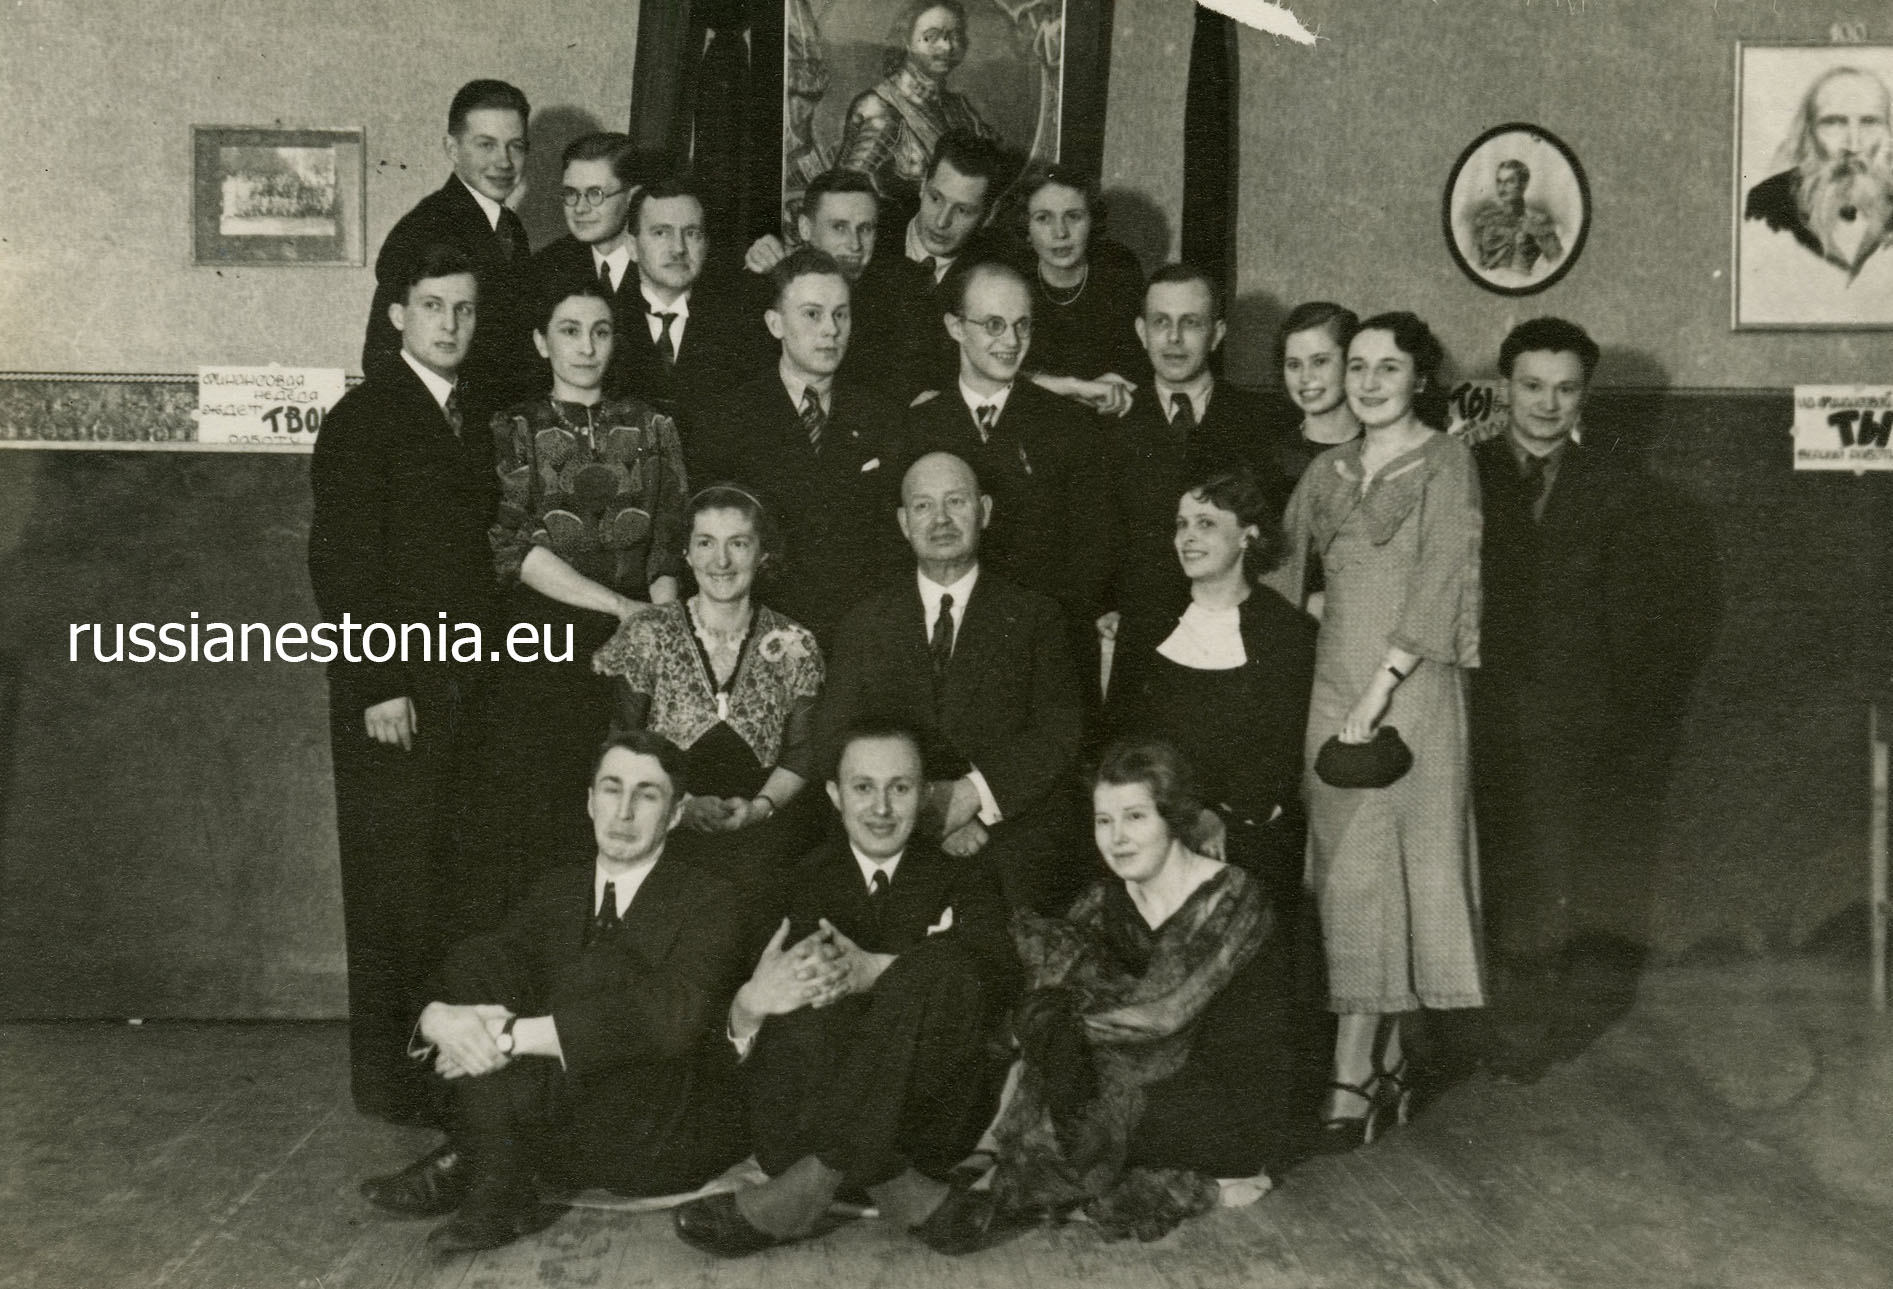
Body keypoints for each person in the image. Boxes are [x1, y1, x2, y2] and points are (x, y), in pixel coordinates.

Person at [356, 732, 753, 1254]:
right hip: (558, 1116)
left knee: (602, 970)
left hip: (651, 1131)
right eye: (612, 789)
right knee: (479, 960)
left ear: (676, 813)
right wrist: (437, 1020)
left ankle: (482, 1164)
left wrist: (505, 1038)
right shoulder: (556, 888)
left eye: (647, 795)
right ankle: (496, 1166)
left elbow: (670, 1019)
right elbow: (482, 974)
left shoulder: (711, 898)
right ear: (590, 801)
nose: (624, 812)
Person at [672, 719, 1020, 1257]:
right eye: (863, 787)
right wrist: (749, 1005)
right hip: (799, 1128)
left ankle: (814, 1184)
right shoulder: (789, 881)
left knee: (950, 967)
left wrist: (879, 970)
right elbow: (724, 1032)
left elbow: (997, 984)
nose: (881, 808)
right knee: (805, 973)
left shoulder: (966, 877)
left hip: (923, 1135)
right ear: (835, 796)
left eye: (899, 788)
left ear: (925, 794)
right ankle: (897, 1189)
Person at [1266, 311, 1484, 1148]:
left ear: (1419, 377)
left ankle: (1351, 1071)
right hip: (1331, 688)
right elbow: (1278, 571)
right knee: (1347, 874)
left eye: (1386, 367)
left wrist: (1379, 689)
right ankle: (1383, 1060)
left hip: (1413, 689)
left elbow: (1440, 582)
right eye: (1354, 366)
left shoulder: (1447, 461)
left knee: (1394, 871)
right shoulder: (1326, 469)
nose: (1366, 382)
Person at [309, 244, 500, 1128]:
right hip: (393, 691)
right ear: (397, 314)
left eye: (463, 308)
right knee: (392, 888)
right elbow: (342, 562)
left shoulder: (472, 414)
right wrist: (378, 680)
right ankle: (390, 1081)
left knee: (447, 880)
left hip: (463, 685)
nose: (450, 324)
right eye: (432, 306)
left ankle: (446, 1068)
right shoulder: (365, 416)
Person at [991, 739, 1302, 1242]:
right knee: (1061, 1093)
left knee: (1073, 1121)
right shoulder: (1104, 897)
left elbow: (1164, 1015)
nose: (1117, 838)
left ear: (1173, 818)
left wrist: (1045, 1026)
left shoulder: (1234, 896)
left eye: (1135, 817)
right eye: (1104, 821)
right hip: (1150, 1082)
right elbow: (1053, 986)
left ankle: (1209, 1180)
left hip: (1229, 1100)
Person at [1469, 317, 1672, 1082]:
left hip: (1562, 724)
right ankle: (1448, 1034)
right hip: (1464, 707)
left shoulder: (1619, 492)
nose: (1546, 404)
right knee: (1462, 868)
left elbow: (1637, 626)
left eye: (1564, 389)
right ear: (1503, 388)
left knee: (1538, 876)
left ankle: (1519, 1035)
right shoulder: (1458, 473)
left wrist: (1601, 718)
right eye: (1530, 386)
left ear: (1584, 395)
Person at [481, 280, 689, 891]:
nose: (587, 347)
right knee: (550, 811)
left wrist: (663, 632)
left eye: (600, 331)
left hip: (642, 639)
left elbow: (669, 538)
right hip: (545, 644)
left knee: (638, 800)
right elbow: (514, 548)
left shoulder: (653, 425)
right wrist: (619, 606)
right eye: (569, 331)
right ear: (541, 341)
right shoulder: (514, 427)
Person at [811, 452, 1086, 913]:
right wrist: (924, 808)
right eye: (923, 506)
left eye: (956, 501)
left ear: (985, 511)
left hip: (1004, 829)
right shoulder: (865, 622)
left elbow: (1058, 732)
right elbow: (833, 737)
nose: (940, 519)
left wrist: (972, 796)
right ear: (904, 523)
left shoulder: (1035, 617)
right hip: (890, 825)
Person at [592, 486, 824, 885]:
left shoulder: (796, 643)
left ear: (763, 553)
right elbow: (621, 743)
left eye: (738, 543)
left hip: (759, 845)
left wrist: (759, 808)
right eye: (705, 543)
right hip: (659, 837)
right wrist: (682, 807)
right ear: (686, 553)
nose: (721, 561)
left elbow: (802, 754)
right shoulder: (647, 632)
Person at [1107, 470, 1316, 913]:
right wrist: (1174, 812)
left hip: (1244, 829)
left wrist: (1215, 817)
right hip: (1149, 817)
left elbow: (1279, 757)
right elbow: (1118, 736)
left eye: (1206, 524)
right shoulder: (1147, 621)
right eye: (1181, 524)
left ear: (1248, 536)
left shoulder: (1286, 632)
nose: (1187, 537)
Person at [905, 261, 1116, 691]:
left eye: (1022, 325)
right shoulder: (917, 427)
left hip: (1046, 652)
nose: (1012, 341)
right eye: (994, 325)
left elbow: (1095, 550)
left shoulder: (1070, 425)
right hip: (945, 651)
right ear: (955, 327)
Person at [700, 248, 908, 645]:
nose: (831, 330)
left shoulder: (881, 417)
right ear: (775, 323)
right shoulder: (729, 419)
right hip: (760, 634)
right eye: (812, 314)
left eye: (841, 315)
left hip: (861, 636)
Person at [1104, 264, 1286, 639]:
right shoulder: (1108, 424)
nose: (1174, 337)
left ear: (1216, 334)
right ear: (1141, 332)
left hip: (1234, 628)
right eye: (1161, 322)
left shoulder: (1259, 420)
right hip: (1138, 629)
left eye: (1190, 323)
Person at [362, 79, 534, 425]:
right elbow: (382, 356)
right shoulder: (424, 227)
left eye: (515, 146)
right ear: (452, 149)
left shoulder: (510, 226)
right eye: (486, 145)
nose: (504, 161)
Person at [614, 174, 762, 464]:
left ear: (706, 244)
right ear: (631, 246)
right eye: (661, 233)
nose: (679, 248)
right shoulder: (606, 320)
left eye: (692, 233)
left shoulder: (742, 325)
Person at [837, 1, 999, 219]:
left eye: (955, 36)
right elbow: (845, 201)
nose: (947, 47)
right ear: (906, 40)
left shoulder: (960, 108)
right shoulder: (881, 108)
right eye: (931, 37)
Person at [526, 132, 657, 395]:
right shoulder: (543, 268)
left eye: (595, 194)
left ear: (633, 197)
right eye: (571, 193)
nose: (580, 208)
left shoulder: (662, 264)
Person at [1010, 164, 1147, 414]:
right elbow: (991, 370)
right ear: (1026, 228)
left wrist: (1114, 384)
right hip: (1028, 411)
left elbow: (1136, 359)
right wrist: (1073, 387)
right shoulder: (1011, 277)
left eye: (1073, 216)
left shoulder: (1118, 267)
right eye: (1043, 218)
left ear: (1092, 221)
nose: (1060, 233)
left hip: (1106, 412)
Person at [1743, 65, 1893, 280]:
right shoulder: (1767, 201)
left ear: (1889, 130)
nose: (1853, 145)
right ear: (1808, 133)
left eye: (1870, 122)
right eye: (1834, 123)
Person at [1275, 301, 1363, 484]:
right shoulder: (1269, 462)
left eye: (1320, 361)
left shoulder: (1388, 451)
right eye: (1294, 365)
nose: (1305, 377)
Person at [1467, 159, 1563, 277]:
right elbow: (1473, 263)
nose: (1502, 188)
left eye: (1510, 182)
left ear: (1523, 185)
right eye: (1499, 181)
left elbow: (1558, 261)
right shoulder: (1486, 219)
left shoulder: (1537, 222)